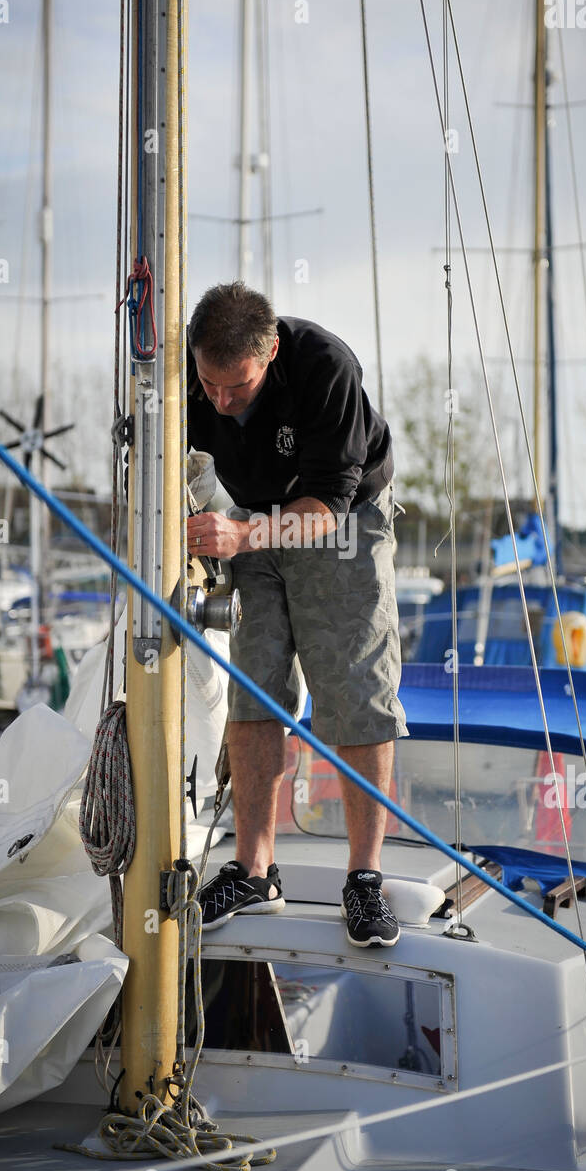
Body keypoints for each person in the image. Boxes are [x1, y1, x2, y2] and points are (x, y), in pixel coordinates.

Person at [186, 281, 408, 947]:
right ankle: (254, 871)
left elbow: (328, 509)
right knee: (254, 693)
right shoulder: (185, 381)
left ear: (271, 352)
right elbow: (177, 458)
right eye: (209, 385)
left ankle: (364, 879)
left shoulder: (324, 368)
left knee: (355, 693)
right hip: (248, 518)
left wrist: (241, 535)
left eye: (239, 387)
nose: (221, 402)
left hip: (338, 523)